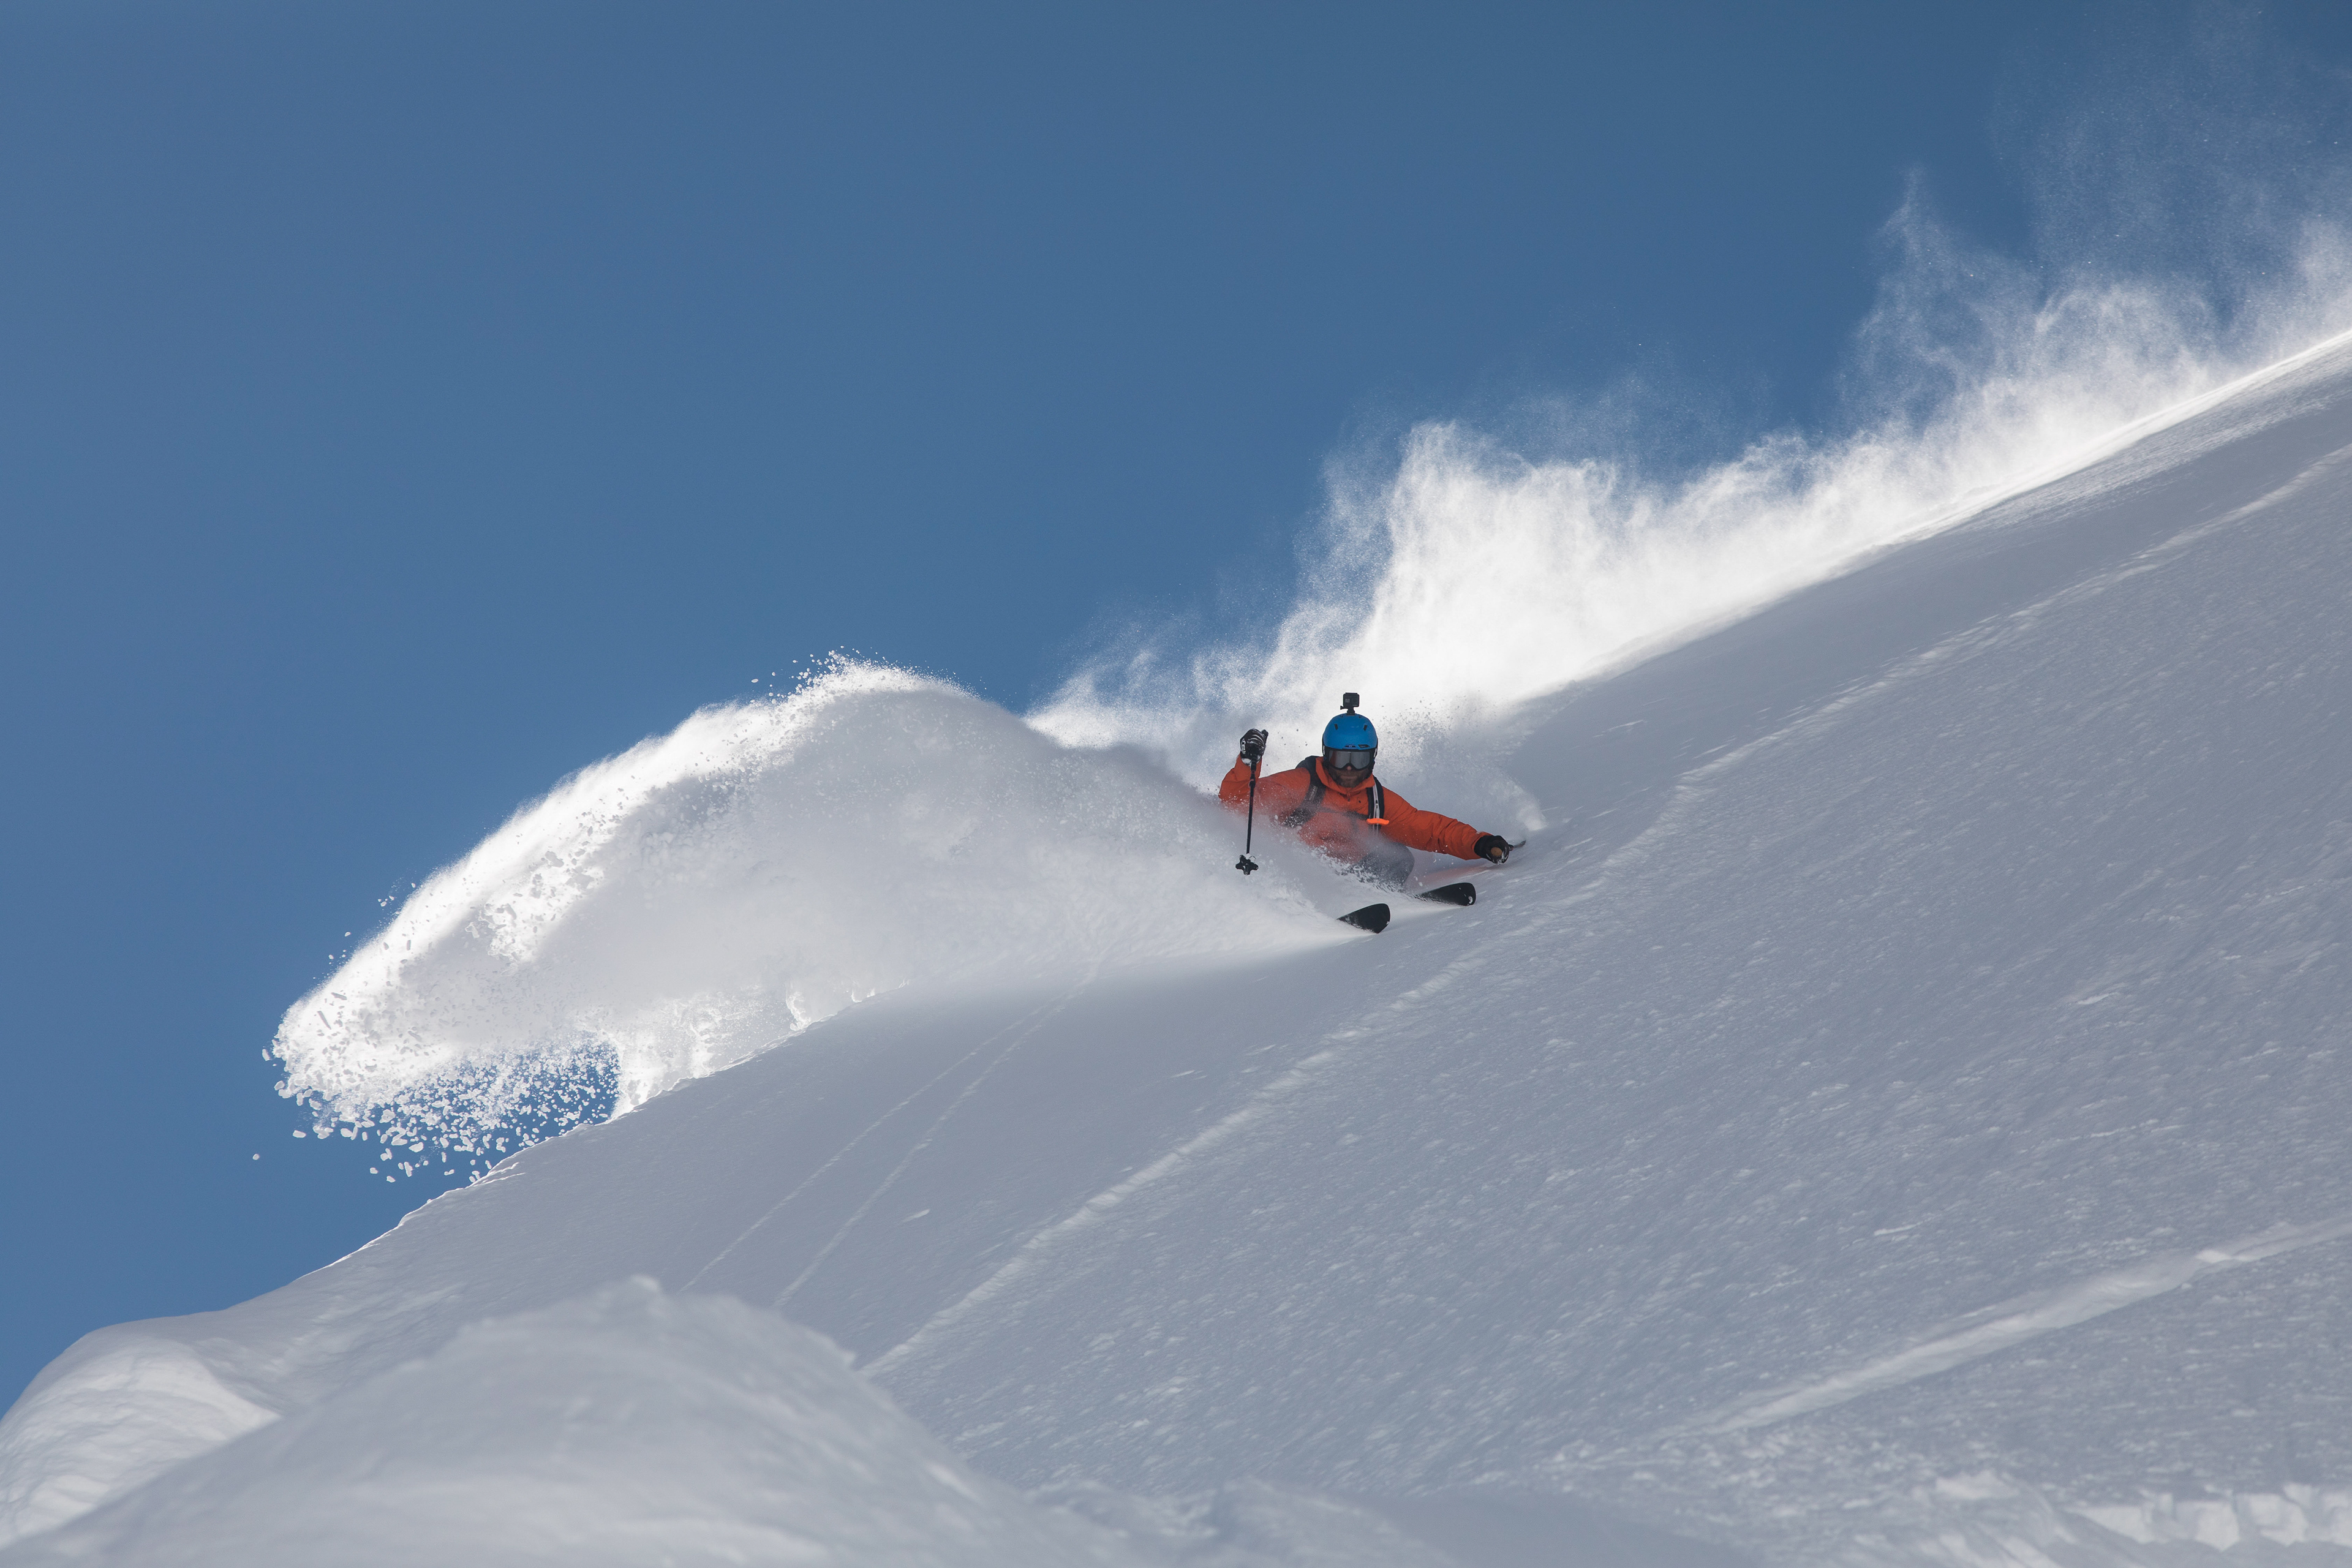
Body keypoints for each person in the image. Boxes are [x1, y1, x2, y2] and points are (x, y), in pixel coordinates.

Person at [1219, 693, 1515, 890]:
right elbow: (1239, 804)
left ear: (1372, 758)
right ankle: (1341, 903)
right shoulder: (1302, 785)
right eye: (1341, 759)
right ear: (1326, 754)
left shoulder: (1377, 799)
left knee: (1399, 857)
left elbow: (1428, 829)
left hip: (1357, 880)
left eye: (1358, 760)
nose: (1349, 769)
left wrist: (1478, 842)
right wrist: (1248, 764)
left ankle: (1372, 902)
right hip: (1299, 878)